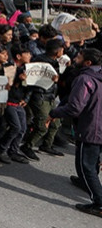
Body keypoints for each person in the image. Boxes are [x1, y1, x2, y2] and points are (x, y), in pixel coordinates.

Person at [49, 48, 102, 218]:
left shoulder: (85, 79)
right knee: (92, 162)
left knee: (85, 165)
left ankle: (99, 203)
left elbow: (74, 107)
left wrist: (54, 113)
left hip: (90, 129)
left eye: (79, 57)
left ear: (87, 63)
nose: (75, 58)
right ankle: (85, 182)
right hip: (97, 128)